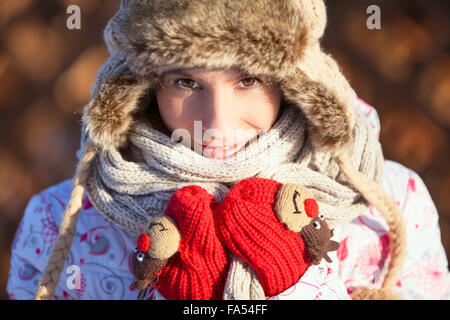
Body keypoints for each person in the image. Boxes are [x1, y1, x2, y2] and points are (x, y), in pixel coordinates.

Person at [7, 0, 449, 300]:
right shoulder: (58, 222)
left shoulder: (389, 202)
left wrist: (296, 284)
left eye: (249, 80)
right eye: (186, 82)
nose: (216, 122)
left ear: (298, 81)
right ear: (139, 85)